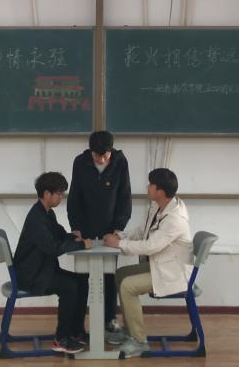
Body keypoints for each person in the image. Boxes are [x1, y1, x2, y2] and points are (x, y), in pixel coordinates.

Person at [102, 168, 192, 359]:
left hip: (172, 273)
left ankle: (139, 342)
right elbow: (143, 230)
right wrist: (121, 236)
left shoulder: (175, 219)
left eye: (151, 184)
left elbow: (151, 246)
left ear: (160, 191)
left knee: (128, 286)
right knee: (121, 274)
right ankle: (130, 331)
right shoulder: (158, 206)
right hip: (161, 265)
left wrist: (119, 244)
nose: (147, 187)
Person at [12, 171, 91, 354]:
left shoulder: (47, 213)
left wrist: (74, 237)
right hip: (32, 275)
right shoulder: (36, 218)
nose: (61, 197)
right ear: (47, 194)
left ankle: (76, 331)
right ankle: (61, 339)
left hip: (42, 269)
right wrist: (81, 245)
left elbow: (59, 235)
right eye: (59, 194)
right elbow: (54, 248)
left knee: (81, 280)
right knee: (70, 286)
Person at [67, 130, 132, 342]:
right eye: (97, 155)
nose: (102, 160)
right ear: (91, 151)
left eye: (105, 155)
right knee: (81, 279)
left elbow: (124, 197)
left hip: (109, 233)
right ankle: (77, 325)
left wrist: (118, 229)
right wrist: (75, 227)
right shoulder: (80, 162)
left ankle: (109, 321)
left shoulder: (120, 163)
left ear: (111, 151)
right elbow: (74, 197)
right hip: (85, 231)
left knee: (109, 278)